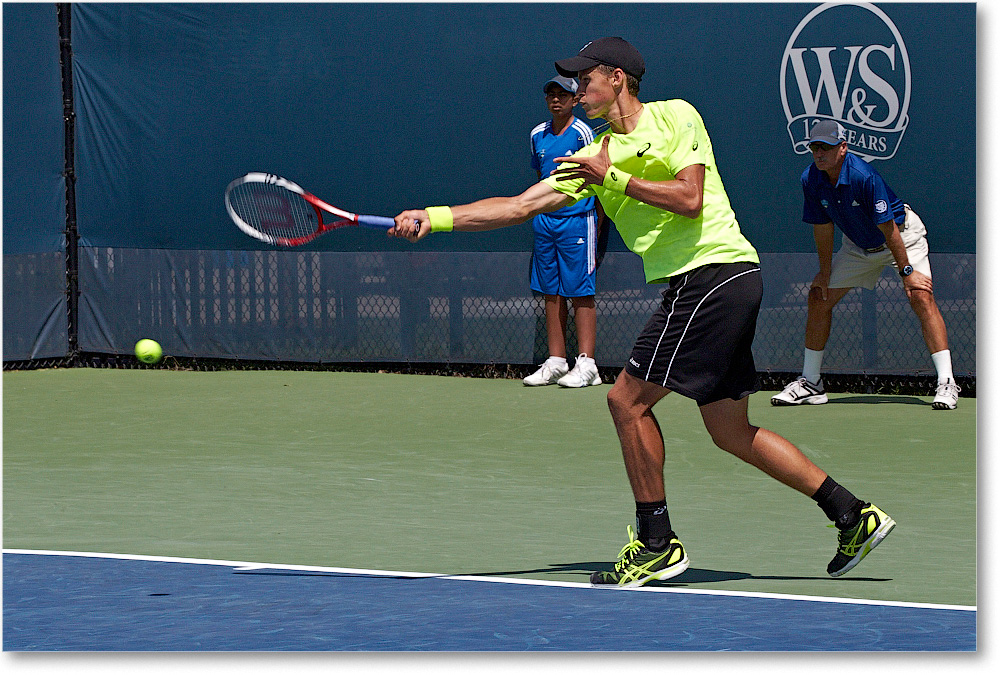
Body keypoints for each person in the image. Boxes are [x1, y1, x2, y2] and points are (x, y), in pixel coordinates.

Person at [389, 37, 894, 587]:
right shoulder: (589, 155)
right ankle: (851, 513)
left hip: (714, 274)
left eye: (586, 79)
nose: (578, 90)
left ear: (617, 78)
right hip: (717, 283)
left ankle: (656, 544)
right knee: (730, 430)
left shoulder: (677, 116)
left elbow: (689, 197)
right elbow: (519, 206)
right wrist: (433, 216)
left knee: (625, 401)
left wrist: (611, 178)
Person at [771, 120, 960, 410]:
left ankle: (946, 382)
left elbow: (889, 229)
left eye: (827, 147)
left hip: (901, 237)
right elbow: (823, 227)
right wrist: (824, 272)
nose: (819, 153)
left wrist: (906, 272)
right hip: (858, 248)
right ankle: (811, 383)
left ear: (843, 148)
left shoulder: (863, 176)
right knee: (818, 297)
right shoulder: (811, 178)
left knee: (920, 296)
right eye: (815, 148)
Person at [524, 75, 603, 388]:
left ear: (575, 100)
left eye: (563, 95)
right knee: (551, 292)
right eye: (550, 95)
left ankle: (588, 365)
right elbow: (542, 176)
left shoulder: (583, 133)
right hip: (545, 223)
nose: (556, 100)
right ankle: (557, 360)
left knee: (580, 292)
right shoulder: (537, 135)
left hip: (578, 221)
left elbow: (596, 179)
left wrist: (595, 223)